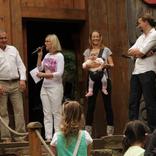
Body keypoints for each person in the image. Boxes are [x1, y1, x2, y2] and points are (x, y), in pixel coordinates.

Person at [128, 13, 156, 131]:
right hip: (136, 72)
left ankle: (153, 130)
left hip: (148, 71)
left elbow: (140, 52)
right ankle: (132, 130)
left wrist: (140, 53)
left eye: (139, 23)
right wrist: (141, 54)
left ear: (146, 22)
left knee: (150, 102)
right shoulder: (141, 37)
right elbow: (130, 52)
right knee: (133, 102)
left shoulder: (154, 34)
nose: (138, 25)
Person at [83, 30, 114, 136]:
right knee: (91, 105)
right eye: (93, 37)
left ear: (100, 37)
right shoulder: (87, 51)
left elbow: (111, 64)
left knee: (108, 105)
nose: (95, 38)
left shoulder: (106, 50)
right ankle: (88, 132)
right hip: (92, 79)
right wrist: (95, 65)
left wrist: (105, 66)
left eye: (97, 36)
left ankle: (110, 132)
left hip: (104, 78)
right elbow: (86, 66)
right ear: (90, 38)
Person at [36, 34, 64, 141]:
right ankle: (48, 137)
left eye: (48, 41)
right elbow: (40, 68)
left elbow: (59, 73)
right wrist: (39, 56)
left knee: (56, 112)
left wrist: (44, 75)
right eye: (45, 41)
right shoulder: (47, 56)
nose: (45, 43)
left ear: (53, 43)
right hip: (45, 87)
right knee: (46, 113)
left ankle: (57, 137)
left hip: (55, 87)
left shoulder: (59, 56)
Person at [0, 29, 26, 142]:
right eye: (1, 38)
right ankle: (5, 138)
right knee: (3, 112)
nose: (4, 40)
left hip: (16, 83)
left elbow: (21, 65)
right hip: (2, 83)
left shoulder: (13, 49)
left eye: (5, 37)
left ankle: (20, 137)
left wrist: (23, 79)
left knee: (19, 110)